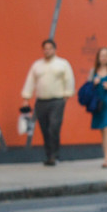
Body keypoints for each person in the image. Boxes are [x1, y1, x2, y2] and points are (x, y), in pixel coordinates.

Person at [21, 38, 75, 166]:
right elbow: (30, 81)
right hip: (41, 101)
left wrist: (67, 95)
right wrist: (26, 97)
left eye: (49, 48)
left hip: (57, 101)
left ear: (54, 49)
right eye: (45, 48)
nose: (47, 51)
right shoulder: (37, 65)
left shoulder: (62, 64)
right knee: (44, 129)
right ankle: (49, 155)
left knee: (54, 127)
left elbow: (69, 79)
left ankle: (54, 155)